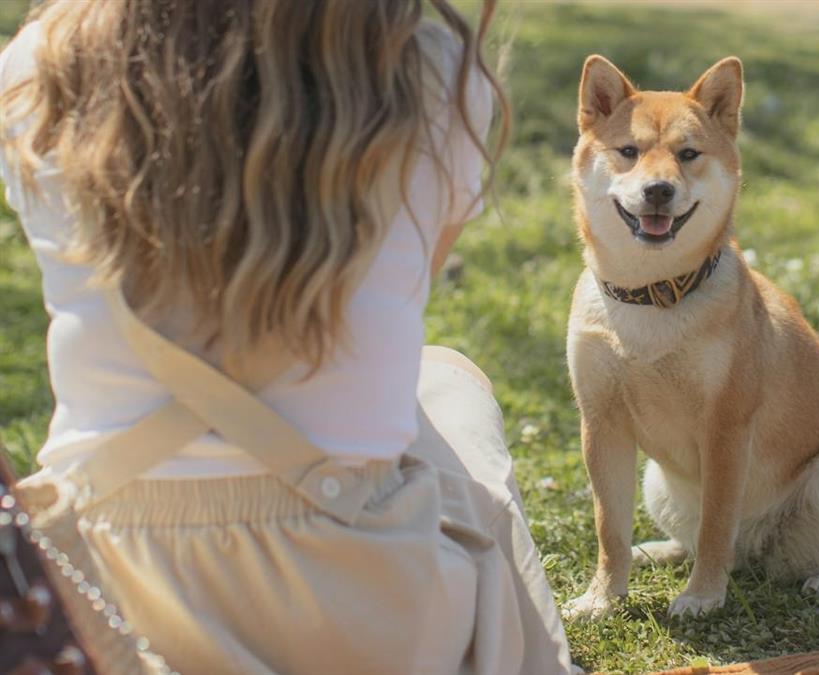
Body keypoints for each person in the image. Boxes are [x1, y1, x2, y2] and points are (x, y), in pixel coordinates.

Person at [0, 1, 574, 673]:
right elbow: (411, 285)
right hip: (362, 611)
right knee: (445, 384)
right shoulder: (434, 72)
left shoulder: (40, 64)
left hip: (102, 593)